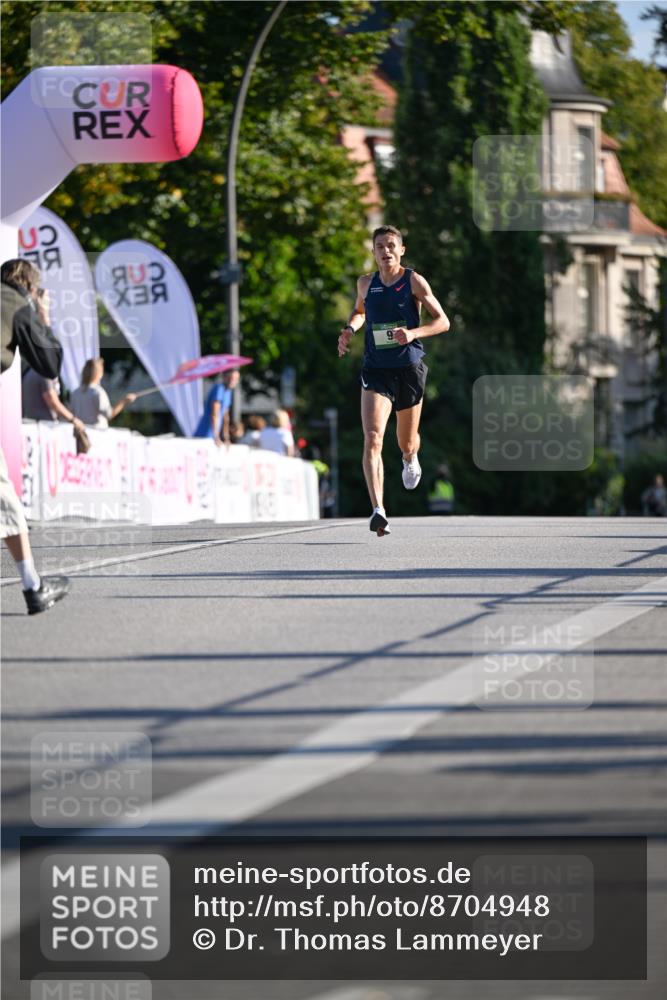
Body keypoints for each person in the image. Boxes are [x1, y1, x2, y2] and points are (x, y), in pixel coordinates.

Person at [338, 225, 449, 535]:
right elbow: (360, 312)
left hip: (408, 368)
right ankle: (378, 510)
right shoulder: (365, 284)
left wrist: (413, 333)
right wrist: (349, 330)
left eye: (391, 246)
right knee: (373, 437)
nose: (385, 251)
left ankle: (410, 456)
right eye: (379, 247)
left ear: (402, 250)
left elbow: (443, 321)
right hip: (376, 369)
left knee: (405, 441)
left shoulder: (413, 280)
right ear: (373, 253)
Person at [1, 258, 69, 614]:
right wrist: (43, 316)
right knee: (3, 498)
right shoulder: (17, 304)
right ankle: (33, 587)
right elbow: (49, 365)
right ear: (29, 285)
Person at [69, 357, 136, 428]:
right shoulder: (98, 392)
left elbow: (71, 414)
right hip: (97, 432)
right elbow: (109, 414)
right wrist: (124, 401)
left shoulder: (76, 392)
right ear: (100, 374)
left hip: (81, 432)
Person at [193, 369, 240, 446]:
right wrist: (216, 436)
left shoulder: (228, 392)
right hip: (205, 434)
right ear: (224, 377)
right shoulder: (219, 389)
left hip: (213, 435)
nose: (233, 381)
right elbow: (214, 414)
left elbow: (226, 417)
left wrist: (226, 437)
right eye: (231, 378)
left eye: (236, 379)